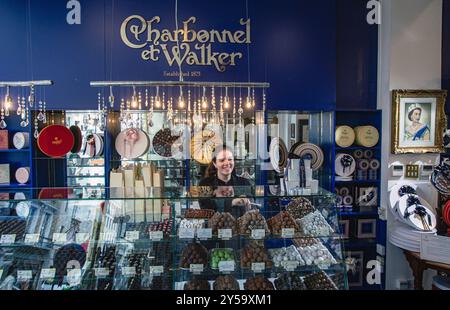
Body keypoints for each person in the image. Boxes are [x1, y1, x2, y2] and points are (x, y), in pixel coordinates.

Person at [198, 145, 252, 218]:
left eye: (230, 159)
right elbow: (206, 209)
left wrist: (247, 203)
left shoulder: (244, 183)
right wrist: (232, 202)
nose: (227, 163)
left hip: (239, 227)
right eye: (222, 160)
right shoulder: (204, 184)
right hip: (215, 227)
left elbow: (252, 208)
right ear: (215, 163)